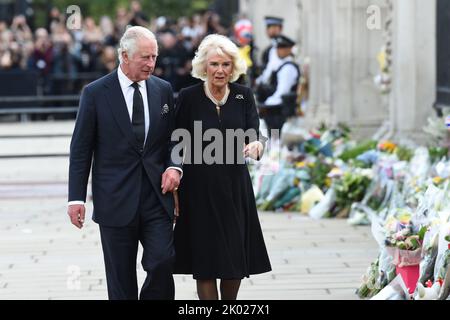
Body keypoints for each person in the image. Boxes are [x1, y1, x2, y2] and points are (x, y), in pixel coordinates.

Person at [67, 26, 181, 300]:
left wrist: (175, 166)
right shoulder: (95, 93)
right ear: (124, 56)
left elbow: (175, 139)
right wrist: (75, 198)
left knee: (163, 262)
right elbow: (81, 148)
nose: (151, 64)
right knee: (120, 280)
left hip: (157, 196)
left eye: (154, 57)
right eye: (144, 57)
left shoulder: (163, 89)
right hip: (115, 199)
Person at [173, 34, 272, 300]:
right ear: (204, 67)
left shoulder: (243, 95)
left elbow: (255, 131)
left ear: (233, 67)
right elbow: (174, 141)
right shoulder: (188, 97)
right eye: (214, 64)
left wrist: (257, 146)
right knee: (204, 263)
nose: (220, 70)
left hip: (234, 188)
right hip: (198, 189)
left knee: (233, 261)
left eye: (226, 65)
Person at [257, 35, 300, 134]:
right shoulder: (281, 65)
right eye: (278, 48)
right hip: (277, 109)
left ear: (289, 49)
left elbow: (282, 93)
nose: (279, 51)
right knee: (272, 138)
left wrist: (264, 105)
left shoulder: (288, 68)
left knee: (276, 140)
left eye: (282, 48)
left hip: (280, 111)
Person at [255, 16, 283, 85]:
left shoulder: (279, 47)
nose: (266, 30)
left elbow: (271, 69)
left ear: (278, 28)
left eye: (269, 27)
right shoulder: (271, 47)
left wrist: (260, 81)